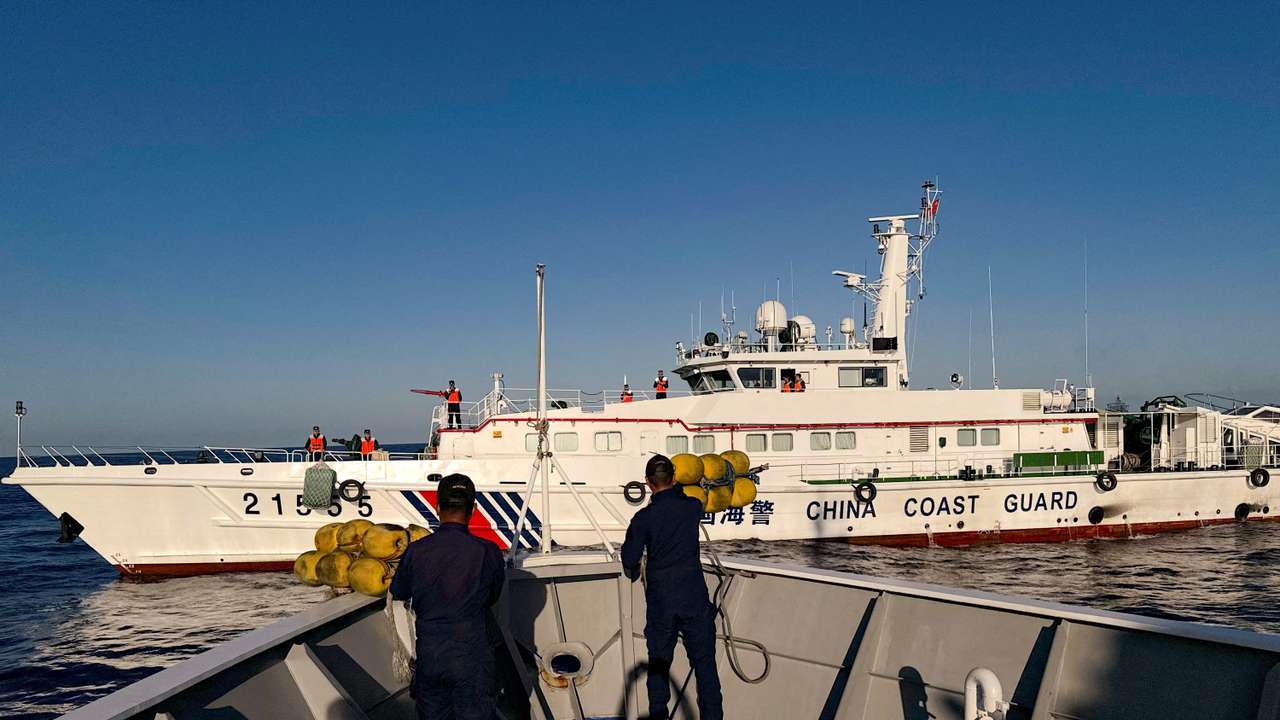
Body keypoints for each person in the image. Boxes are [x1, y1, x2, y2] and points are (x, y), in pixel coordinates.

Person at [390, 474, 505, 720]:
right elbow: (493, 596)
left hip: (430, 659)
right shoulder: (488, 551)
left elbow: (399, 591)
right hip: (472, 658)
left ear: (437, 507)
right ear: (473, 509)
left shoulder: (416, 551)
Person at [621, 455, 723, 720]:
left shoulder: (643, 518)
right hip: (694, 599)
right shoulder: (692, 507)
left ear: (647, 483)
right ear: (675, 478)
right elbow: (692, 499)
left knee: (659, 667)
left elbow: (629, 559)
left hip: (662, 603)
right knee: (705, 667)